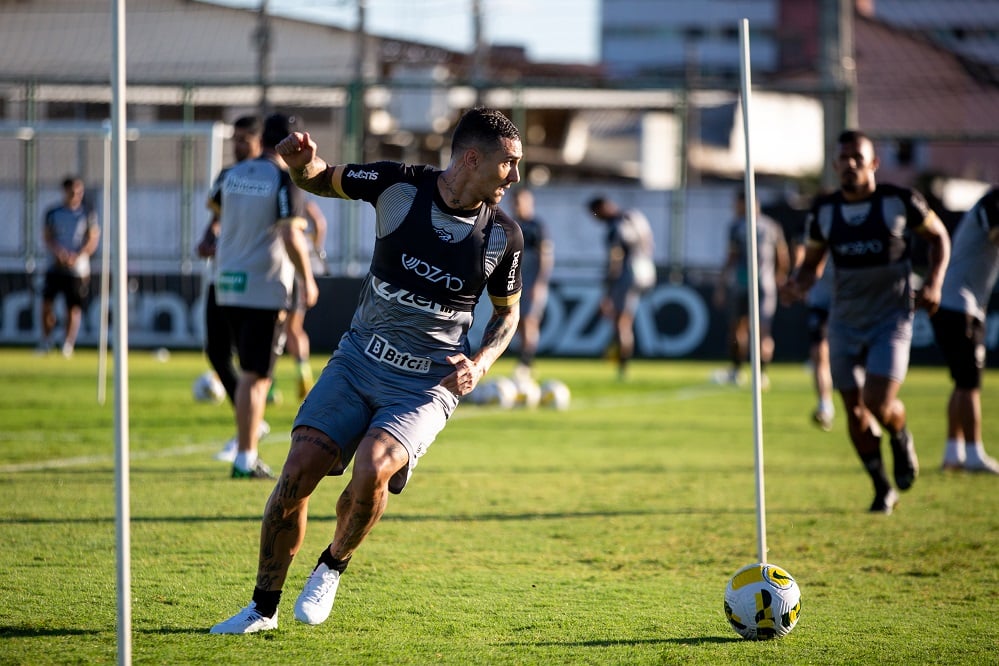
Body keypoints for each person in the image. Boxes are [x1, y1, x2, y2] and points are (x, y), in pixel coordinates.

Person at [210, 106, 524, 634]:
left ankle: (332, 564)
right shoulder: (397, 185)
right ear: (473, 157)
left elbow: (507, 313)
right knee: (298, 471)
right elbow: (318, 180)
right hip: (358, 360)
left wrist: (481, 362)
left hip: (426, 384)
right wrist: (300, 163)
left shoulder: (504, 238)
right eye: (508, 164)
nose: (514, 176)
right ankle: (261, 609)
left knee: (373, 468)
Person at [781, 130, 950, 515]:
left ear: (874, 163)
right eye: (844, 158)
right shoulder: (824, 213)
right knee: (854, 411)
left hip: (891, 318)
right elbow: (811, 267)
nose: (850, 164)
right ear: (835, 164)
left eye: (858, 157)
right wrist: (796, 286)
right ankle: (881, 488)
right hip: (844, 322)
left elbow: (939, 237)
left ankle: (899, 431)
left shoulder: (899, 201)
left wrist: (935, 283)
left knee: (877, 400)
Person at [212, 112, 319, 480]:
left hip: (227, 284)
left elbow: (217, 219)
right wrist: (308, 280)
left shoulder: (231, 174)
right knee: (255, 377)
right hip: (264, 287)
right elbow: (291, 236)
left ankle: (246, 449)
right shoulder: (283, 179)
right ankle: (245, 458)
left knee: (249, 373)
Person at [197, 115, 272, 463]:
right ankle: (247, 423)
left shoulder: (272, 179)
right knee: (215, 351)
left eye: (245, 139)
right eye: (236, 139)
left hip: (256, 283)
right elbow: (217, 219)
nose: (238, 145)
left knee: (250, 365)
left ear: (260, 142)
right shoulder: (227, 177)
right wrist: (208, 237)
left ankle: (248, 432)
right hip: (222, 277)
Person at [930, 186, 999, 474]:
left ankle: (953, 453)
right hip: (958, 304)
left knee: (962, 382)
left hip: (959, 304)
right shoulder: (993, 201)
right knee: (970, 383)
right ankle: (973, 454)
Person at [712, 189, 789, 388]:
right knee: (764, 331)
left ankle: (737, 372)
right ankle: (762, 375)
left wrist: (721, 283)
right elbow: (783, 258)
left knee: (738, 328)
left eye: (737, 204)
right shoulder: (772, 226)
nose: (734, 208)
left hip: (742, 284)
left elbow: (731, 257)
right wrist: (779, 279)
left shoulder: (737, 226)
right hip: (766, 284)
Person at [587, 195, 656, 379]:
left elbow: (615, 259)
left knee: (620, 322)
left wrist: (608, 291)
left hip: (626, 274)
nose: (596, 218)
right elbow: (649, 241)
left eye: (595, 214)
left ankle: (623, 367)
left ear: (602, 208)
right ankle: (619, 355)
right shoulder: (634, 216)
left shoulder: (613, 227)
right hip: (645, 271)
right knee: (626, 319)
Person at [38, 176, 100, 358]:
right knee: (47, 305)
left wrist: (78, 255)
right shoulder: (53, 212)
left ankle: (68, 345)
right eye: (73, 191)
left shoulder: (88, 213)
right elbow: (48, 237)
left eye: (80, 192)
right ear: (64, 191)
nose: (76, 195)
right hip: (55, 266)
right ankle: (47, 341)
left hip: (78, 270)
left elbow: (92, 239)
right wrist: (60, 253)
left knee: (72, 308)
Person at [281, 198, 329, 402]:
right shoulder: (302, 201)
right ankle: (303, 371)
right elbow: (319, 222)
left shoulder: (283, 201)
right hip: (300, 275)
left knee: (275, 329)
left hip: (280, 272)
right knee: (295, 328)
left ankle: (269, 386)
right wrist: (316, 245)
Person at [509, 188, 553, 380]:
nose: (518, 205)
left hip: (531, 281)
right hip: (513, 282)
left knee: (529, 321)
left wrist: (539, 283)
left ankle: (526, 361)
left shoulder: (537, 226)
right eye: (516, 201)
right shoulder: (511, 224)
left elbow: (546, 256)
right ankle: (525, 360)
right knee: (516, 322)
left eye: (521, 201)